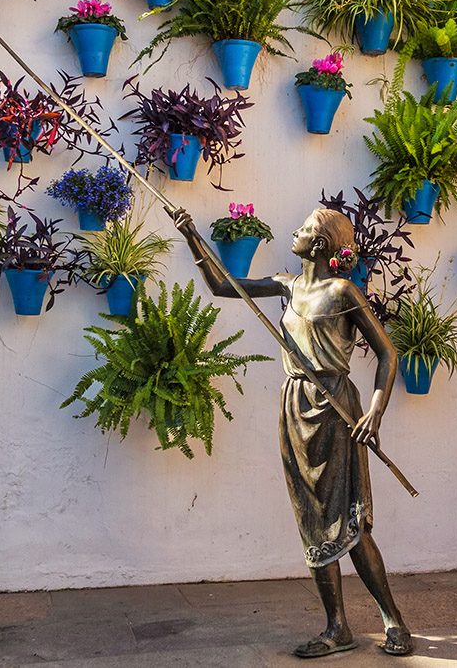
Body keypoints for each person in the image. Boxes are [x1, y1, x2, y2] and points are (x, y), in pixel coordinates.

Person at [173, 206, 414, 658]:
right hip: (295, 407)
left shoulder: (343, 291)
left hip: (337, 409)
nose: (295, 232)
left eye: (304, 229)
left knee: (350, 522)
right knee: (312, 522)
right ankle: (337, 626)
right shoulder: (286, 284)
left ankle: (393, 620)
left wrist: (375, 412)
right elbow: (224, 286)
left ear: (320, 244)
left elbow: (388, 353)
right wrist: (192, 238)